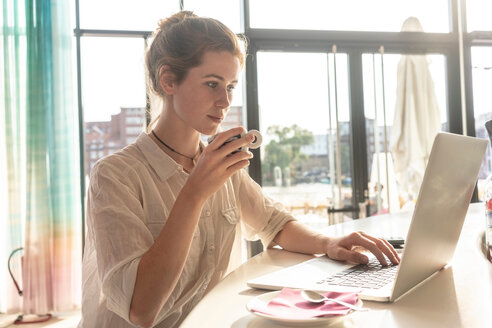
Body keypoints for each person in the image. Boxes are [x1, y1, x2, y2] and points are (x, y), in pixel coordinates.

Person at [78, 11, 400, 328]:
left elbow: (274, 225)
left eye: (230, 86)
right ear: (168, 80)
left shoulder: (220, 164)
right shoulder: (114, 177)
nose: (225, 100)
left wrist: (327, 244)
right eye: (212, 84)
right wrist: (194, 193)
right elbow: (141, 310)